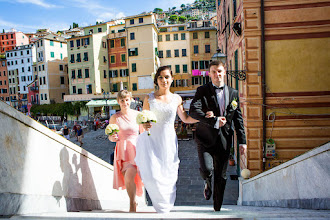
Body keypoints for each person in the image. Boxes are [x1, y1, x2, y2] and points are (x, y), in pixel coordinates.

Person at [135, 66, 199, 213]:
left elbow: (185, 118)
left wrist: (202, 118)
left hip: (168, 142)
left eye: (167, 77)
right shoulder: (149, 98)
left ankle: (165, 208)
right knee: (152, 174)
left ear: (172, 79)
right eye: (161, 77)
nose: (164, 80)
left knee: (168, 174)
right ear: (157, 80)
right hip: (151, 141)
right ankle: (159, 204)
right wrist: (144, 124)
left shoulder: (177, 99)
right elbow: (142, 121)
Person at [189, 60, 247, 212]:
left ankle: (217, 208)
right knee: (207, 169)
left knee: (221, 176)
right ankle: (207, 181)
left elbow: (238, 119)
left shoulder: (233, 93)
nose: (217, 74)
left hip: (224, 140)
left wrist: (242, 142)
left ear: (225, 72)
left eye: (219, 71)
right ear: (209, 73)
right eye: (214, 71)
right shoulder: (202, 90)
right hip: (205, 138)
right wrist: (213, 120)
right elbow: (193, 111)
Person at [108, 90, 143, 212]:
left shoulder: (138, 115)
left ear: (131, 100)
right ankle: (133, 201)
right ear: (118, 101)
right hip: (121, 151)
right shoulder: (114, 117)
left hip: (135, 150)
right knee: (128, 180)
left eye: (127, 100)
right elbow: (111, 136)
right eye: (122, 100)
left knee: (129, 177)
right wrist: (112, 138)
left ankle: (132, 204)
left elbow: (143, 133)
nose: (125, 103)